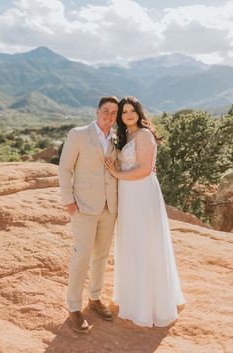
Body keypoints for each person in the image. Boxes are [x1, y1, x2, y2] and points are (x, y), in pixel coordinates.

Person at [105, 96, 185, 328]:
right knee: (131, 242)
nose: (128, 114)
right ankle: (133, 296)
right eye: (124, 112)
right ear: (120, 116)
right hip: (128, 195)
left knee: (145, 242)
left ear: (139, 113)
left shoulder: (144, 135)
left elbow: (145, 170)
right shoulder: (125, 136)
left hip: (141, 193)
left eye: (132, 110)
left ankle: (149, 304)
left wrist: (117, 174)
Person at [58, 96, 119, 333]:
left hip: (109, 208)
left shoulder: (116, 138)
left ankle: (95, 298)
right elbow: (65, 168)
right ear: (96, 111)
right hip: (83, 206)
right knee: (81, 256)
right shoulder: (79, 134)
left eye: (114, 112)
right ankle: (74, 307)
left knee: (101, 256)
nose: (110, 116)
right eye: (106, 111)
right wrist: (68, 201)